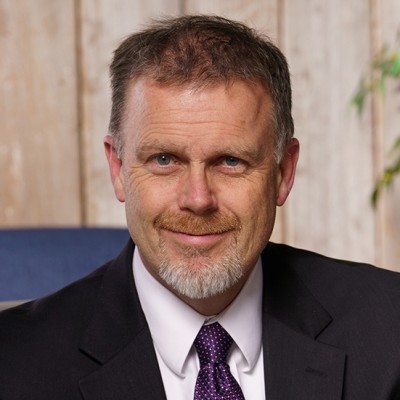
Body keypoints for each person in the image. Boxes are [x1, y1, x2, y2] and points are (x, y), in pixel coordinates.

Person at [0, 15, 399, 400]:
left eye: (230, 161)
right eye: (164, 160)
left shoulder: (388, 330)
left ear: (283, 172)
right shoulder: (14, 365)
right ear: (118, 168)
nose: (197, 199)